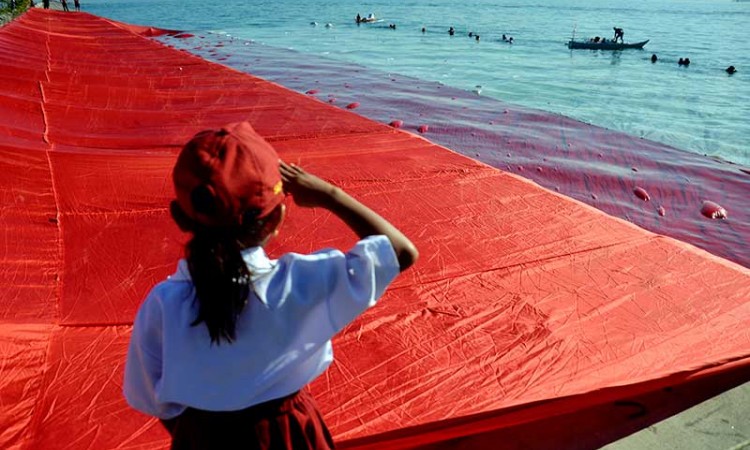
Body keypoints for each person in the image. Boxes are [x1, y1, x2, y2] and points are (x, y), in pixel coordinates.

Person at [123, 122, 418, 449]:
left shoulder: (163, 304)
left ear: (179, 217)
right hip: (288, 434)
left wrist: (203, 431)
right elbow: (400, 252)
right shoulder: (303, 282)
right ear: (276, 219)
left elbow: (149, 395)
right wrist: (330, 195)